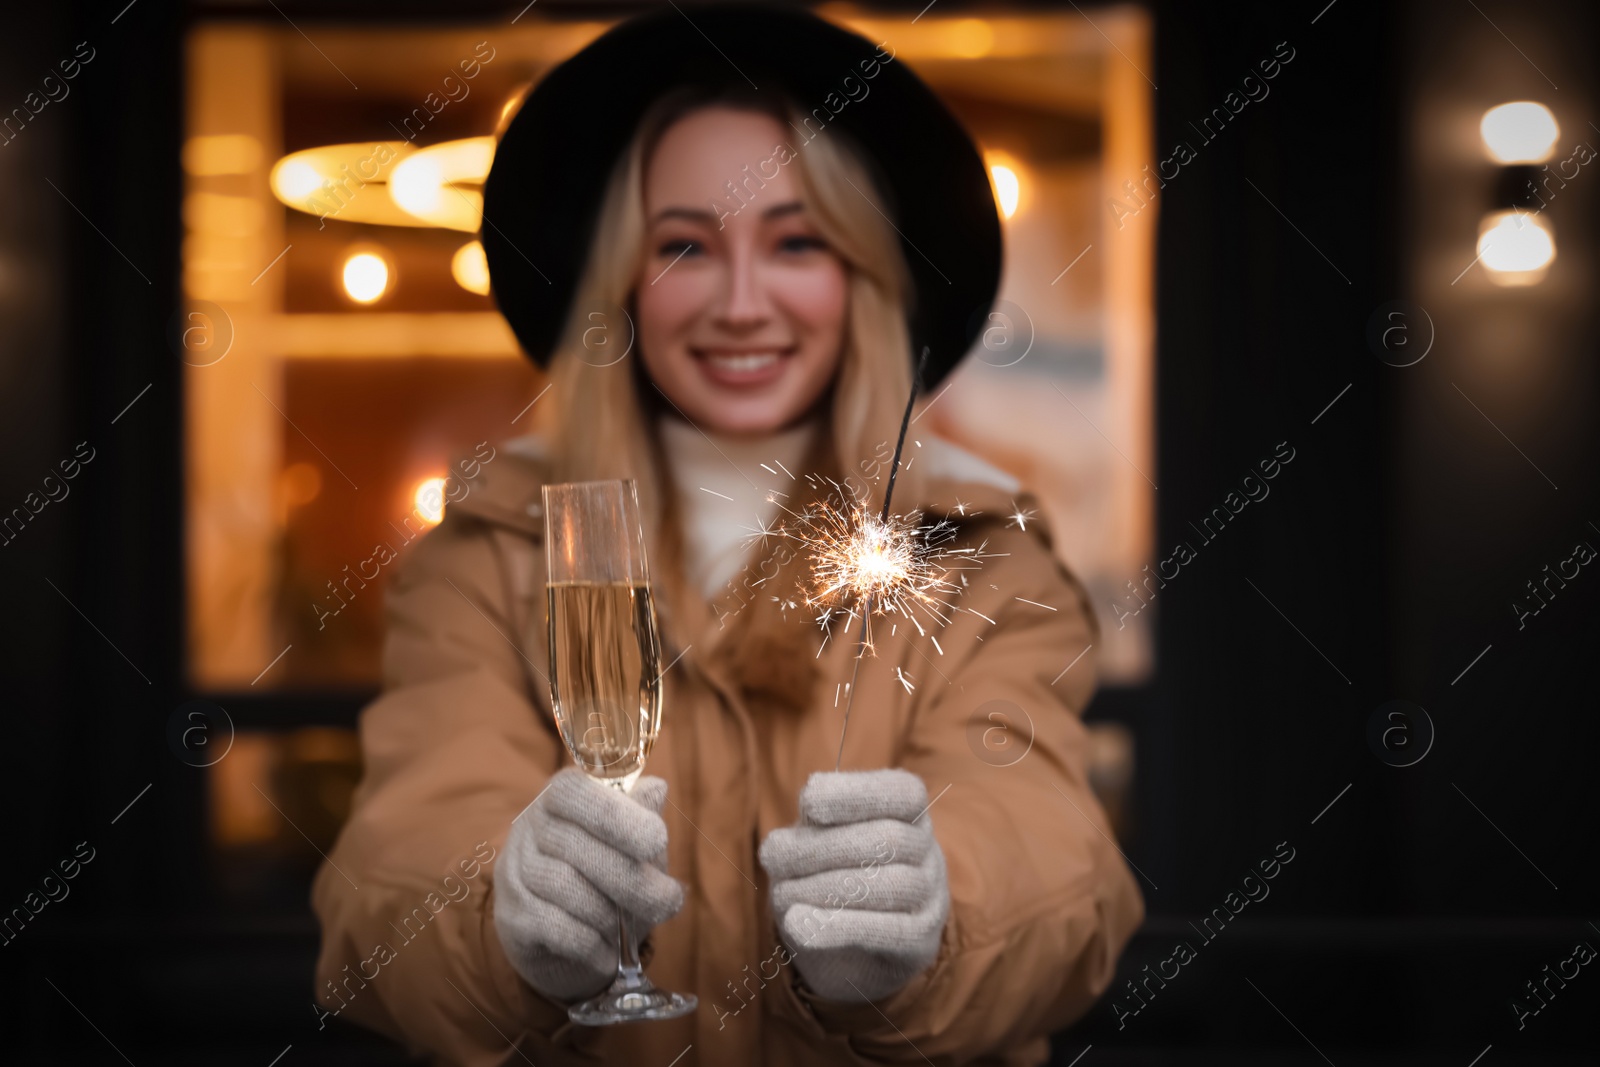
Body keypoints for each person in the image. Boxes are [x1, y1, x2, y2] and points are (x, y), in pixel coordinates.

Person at [311, 6, 1143, 1065]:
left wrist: (937, 923)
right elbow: (386, 877)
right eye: (684, 246)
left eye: (797, 240)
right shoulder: (491, 556)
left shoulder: (980, 560)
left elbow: (1061, 866)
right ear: (623, 282)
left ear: (862, 278)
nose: (741, 301)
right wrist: (497, 918)